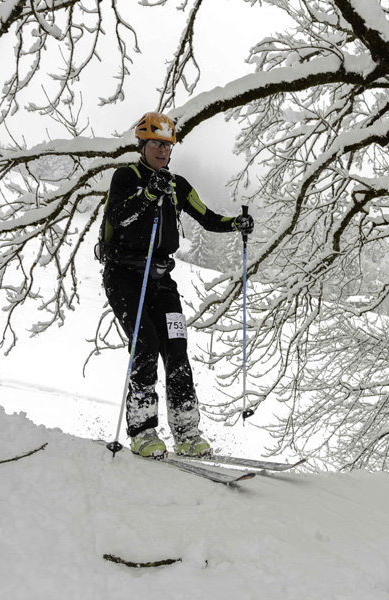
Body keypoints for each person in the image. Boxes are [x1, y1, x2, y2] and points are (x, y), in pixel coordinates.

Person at [99, 111, 254, 459]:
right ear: (142, 145)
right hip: (124, 276)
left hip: (161, 280)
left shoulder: (176, 185)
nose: (162, 151)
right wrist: (147, 195)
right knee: (146, 344)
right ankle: (143, 431)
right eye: (156, 144)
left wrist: (236, 224)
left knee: (177, 348)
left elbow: (207, 217)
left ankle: (186, 433)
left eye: (167, 146)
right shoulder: (126, 177)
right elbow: (117, 217)